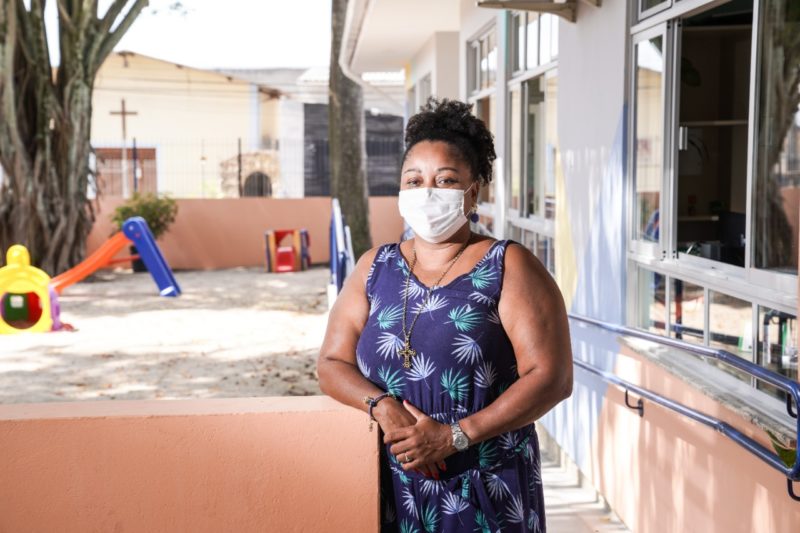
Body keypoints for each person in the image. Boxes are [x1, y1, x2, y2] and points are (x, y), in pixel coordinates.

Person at [317, 98, 573, 532]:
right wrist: (383, 408)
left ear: (473, 191)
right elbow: (330, 363)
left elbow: (551, 377)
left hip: (484, 488)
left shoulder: (509, 266)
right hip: (395, 485)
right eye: (414, 180)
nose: (427, 192)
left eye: (446, 179)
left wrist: (454, 436)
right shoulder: (374, 267)